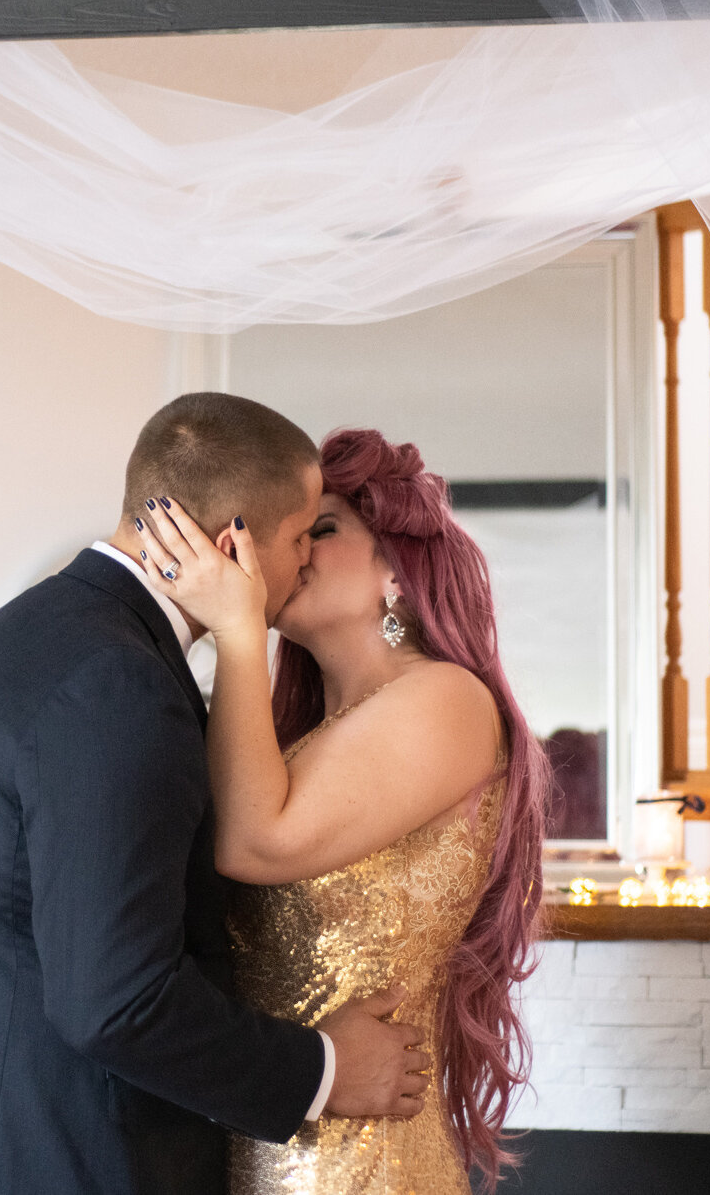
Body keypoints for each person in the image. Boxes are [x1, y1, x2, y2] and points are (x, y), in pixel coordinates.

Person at [0, 395, 432, 1195]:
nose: (306, 559)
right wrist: (325, 1070)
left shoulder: (30, 636)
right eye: (303, 534)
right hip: (57, 1163)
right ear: (236, 543)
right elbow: (115, 1000)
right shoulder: (115, 684)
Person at [134, 427, 546, 1194]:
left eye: (322, 529)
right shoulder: (293, 740)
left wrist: (234, 628)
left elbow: (252, 842)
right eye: (292, 534)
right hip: (263, 1141)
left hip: (361, 1167)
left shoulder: (446, 698)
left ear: (397, 566)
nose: (296, 551)